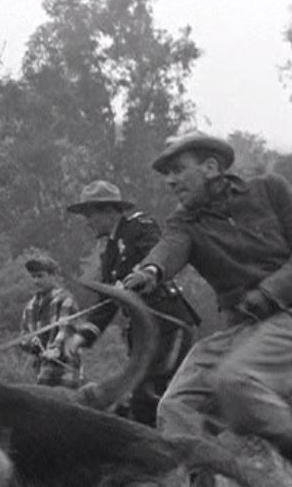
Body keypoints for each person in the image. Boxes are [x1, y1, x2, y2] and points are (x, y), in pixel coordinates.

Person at [121, 130, 292, 487]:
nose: (170, 181)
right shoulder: (184, 222)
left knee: (233, 381)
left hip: (291, 317)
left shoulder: (269, 190)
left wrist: (270, 291)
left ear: (211, 167)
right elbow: (169, 249)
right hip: (237, 332)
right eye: (166, 174)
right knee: (176, 407)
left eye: (178, 170)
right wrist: (150, 270)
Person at [63, 180, 200, 427]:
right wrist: (83, 335)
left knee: (153, 393)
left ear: (109, 211)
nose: (87, 221)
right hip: (140, 336)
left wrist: (143, 274)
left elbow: (157, 250)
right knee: (140, 399)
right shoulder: (110, 253)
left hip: (167, 326)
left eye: (90, 213)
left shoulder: (139, 225)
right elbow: (107, 302)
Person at [19, 254, 85, 388]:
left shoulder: (65, 299)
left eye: (40, 276)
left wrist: (55, 349)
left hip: (66, 369)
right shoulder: (30, 307)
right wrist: (30, 342)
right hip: (42, 371)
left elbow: (66, 329)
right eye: (33, 277)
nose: (36, 281)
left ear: (53, 276)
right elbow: (23, 336)